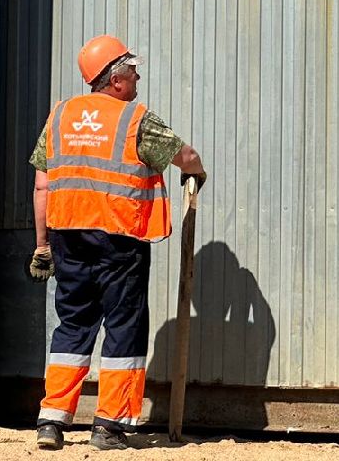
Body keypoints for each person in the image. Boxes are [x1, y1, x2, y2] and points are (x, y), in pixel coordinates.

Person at [26, 34, 207, 451]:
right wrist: (199, 174)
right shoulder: (135, 119)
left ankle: (52, 420)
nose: (139, 77)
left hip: (67, 237)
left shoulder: (60, 117)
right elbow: (187, 155)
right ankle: (108, 426)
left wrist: (42, 246)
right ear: (117, 81)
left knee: (73, 324)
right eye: (133, 71)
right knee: (124, 326)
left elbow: (42, 186)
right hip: (118, 240)